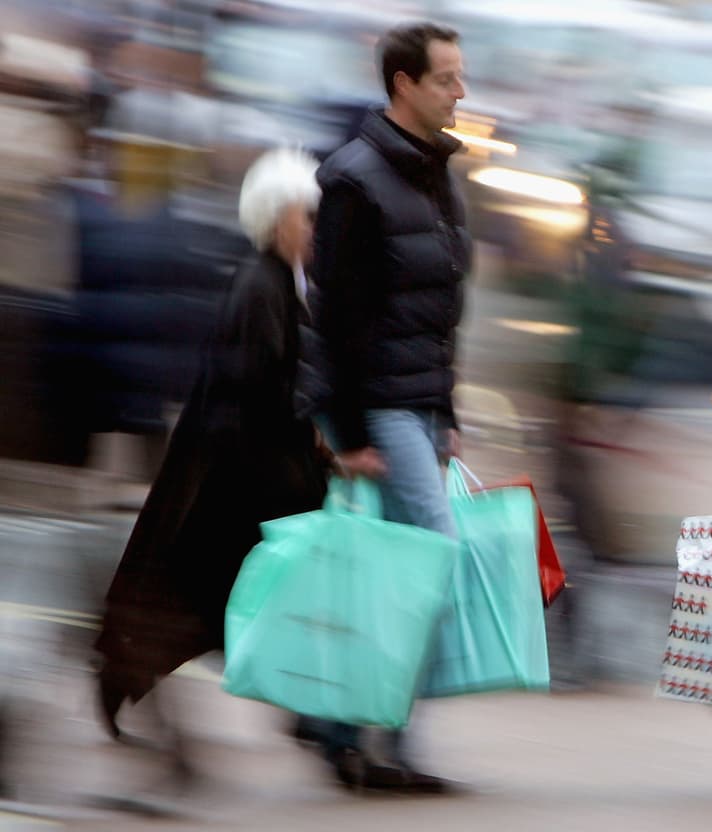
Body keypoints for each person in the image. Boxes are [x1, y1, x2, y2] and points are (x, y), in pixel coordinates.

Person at [93, 148, 332, 759]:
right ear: (280, 219)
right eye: (307, 216)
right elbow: (264, 391)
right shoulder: (264, 286)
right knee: (208, 602)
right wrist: (315, 448)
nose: (314, 229)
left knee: (215, 604)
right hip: (242, 481)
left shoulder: (274, 282)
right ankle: (122, 675)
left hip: (242, 474)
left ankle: (307, 719)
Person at [301, 21, 470, 792]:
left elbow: (439, 305)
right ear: (403, 83)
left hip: (421, 404)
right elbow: (333, 314)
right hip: (381, 408)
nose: (460, 91)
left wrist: (449, 407)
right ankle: (378, 742)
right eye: (446, 78)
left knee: (388, 572)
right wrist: (347, 430)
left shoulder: (439, 173)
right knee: (431, 557)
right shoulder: (354, 179)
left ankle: (347, 736)